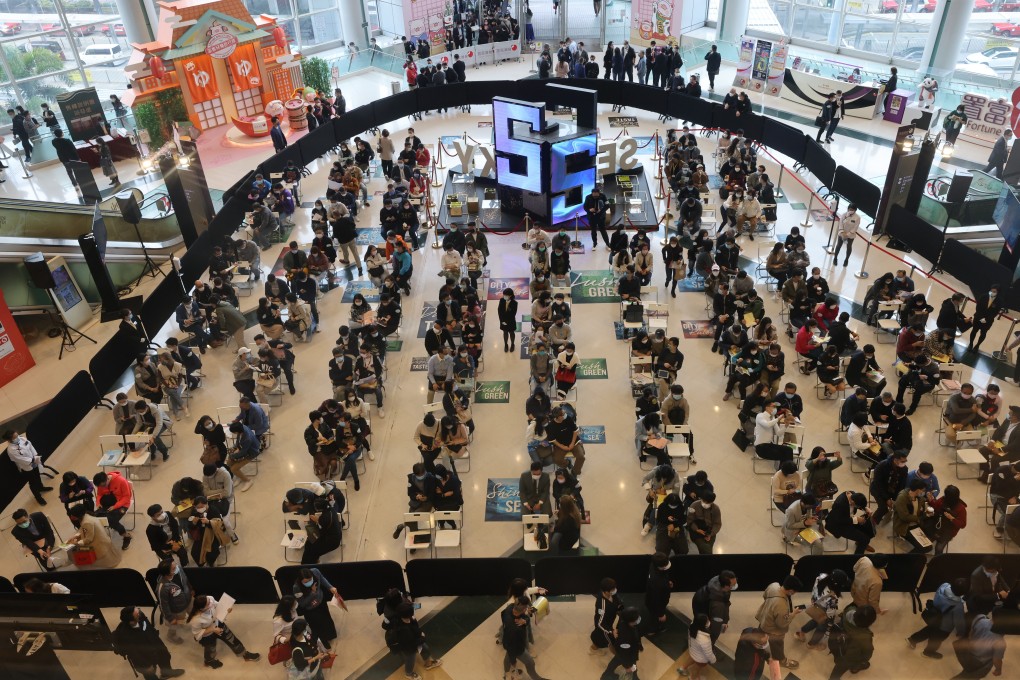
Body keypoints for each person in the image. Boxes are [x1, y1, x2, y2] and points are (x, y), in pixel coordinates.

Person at [188, 594, 260, 668]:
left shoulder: (209, 599)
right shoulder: (195, 620)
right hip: (207, 635)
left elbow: (218, 606)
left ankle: (245, 654)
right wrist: (213, 629)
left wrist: (226, 610)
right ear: (201, 609)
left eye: (209, 600)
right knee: (211, 648)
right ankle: (209, 661)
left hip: (218, 624)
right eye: (208, 604)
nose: (211, 603)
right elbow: (197, 634)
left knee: (232, 639)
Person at [113, 607, 185, 680]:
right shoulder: (125, 635)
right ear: (131, 621)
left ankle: (166, 673)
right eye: (137, 614)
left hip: (156, 646)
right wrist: (145, 665)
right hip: (144, 658)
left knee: (165, 657)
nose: (139, 612)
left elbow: (149, 627)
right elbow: (134, 654)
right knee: (150, 674)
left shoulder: (141, 616)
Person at [907, 577, 969, 659]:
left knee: (928, 630)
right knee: (936, 639)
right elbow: (959, 621)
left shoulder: (944, 586)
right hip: (944, 627)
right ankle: (928, 652)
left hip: (934, 615)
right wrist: (961, 632)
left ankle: (912, 639)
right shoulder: (958, 606)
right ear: (962, 593)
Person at [755, 576, 803, 670]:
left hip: (764, 617)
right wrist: (793, 614)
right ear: (791, 591)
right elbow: (781, 624)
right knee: (778, 646)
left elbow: (765, 595)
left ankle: (758, 647)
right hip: (773, 629)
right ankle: (782, 661)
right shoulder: (781, 605)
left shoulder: (774, 585)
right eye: (795, 592)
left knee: (760, 633)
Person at [293, 567, 345, 651]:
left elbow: (322, 579)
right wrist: (312, 593)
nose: (309, 582)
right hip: (310, 610)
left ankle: (330, 635)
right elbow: (302, 603)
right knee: (317, 627)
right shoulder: (296, 588)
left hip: (321, 603)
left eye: (310, 579)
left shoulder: (315, 571)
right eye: (306, 582)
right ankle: (323, 642)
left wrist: (330, 587)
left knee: (327, 620)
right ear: (301, 580)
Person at [387, 601, 443, 679]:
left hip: (413, 639)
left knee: (425, 648)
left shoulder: (404, 618)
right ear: (409, 614)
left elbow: (414, 629)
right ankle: (408, 673)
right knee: (410, 659)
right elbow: (411, 644)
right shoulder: (404, 630)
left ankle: (428, 664)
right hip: (408, 647)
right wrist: (422, 638)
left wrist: (414, 621)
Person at [502, 596, 550, 680]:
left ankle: (507, 674)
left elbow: (503, 614)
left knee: (507, 658)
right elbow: (511, 649)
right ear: (524, 610)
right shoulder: (517, 628)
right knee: (530, 663)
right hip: (517, 648)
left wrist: (525, 621)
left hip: (507, 640)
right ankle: (537, 679)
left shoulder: (509, 609)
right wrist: (514, 662)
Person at [3, 429, 52, 505]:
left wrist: (36, 456)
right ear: (11, 439)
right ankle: (38, 497)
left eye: (17, 435)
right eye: (15, 437)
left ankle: (41, 487)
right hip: (26, 467)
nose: (18, 437)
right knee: (33, 482)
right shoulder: (11, 450)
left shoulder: (22, 438)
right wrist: (32, 460)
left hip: (34, 460)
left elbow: (30, 446)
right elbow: (20, 459)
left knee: (37, 475)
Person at [829, 604, 876, 679]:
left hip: (838, 645)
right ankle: (855, 667)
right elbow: (867, 653)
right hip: (849, 657)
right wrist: (863, 660)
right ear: (869, 623)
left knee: (838, 668)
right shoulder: (864, 637)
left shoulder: (849, 610)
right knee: (850, 662)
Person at [893, 479, 933, 553]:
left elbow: (921, 511)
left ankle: (913, 557)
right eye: (923, 490)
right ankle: (909, 559)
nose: (924, 492)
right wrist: (920, 518)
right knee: (925, 548)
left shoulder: (920, 498)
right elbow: (904, 517)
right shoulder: (902, 498)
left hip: (917, 524)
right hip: (905, 527)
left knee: (929, 545)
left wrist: (926, 512)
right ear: (917, 490)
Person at [677, 613, 717, 679]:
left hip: (693, 651)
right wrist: (713, 660)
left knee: (692, 658)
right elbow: (708, 653)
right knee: (696, 669)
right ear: (703, 624)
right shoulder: (704, 639)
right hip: (701, 659)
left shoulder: (692, 627)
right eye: (707, 621)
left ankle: (682, 668)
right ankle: (692, 678)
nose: (708, 621)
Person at [590, 577, 624, 653]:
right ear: (605, 592)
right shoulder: (602, 605)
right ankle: (593, 649)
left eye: (614, 588)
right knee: (600, 640)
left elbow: (617, 600)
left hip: (610, 621)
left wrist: (620, 606)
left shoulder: (612, 593)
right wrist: (611, 631)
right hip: (604, 627)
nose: (614, 590)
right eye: (612, 590)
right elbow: (599, 623)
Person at [644, 551, 673, 636]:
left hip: (650, 596)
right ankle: (652, 630)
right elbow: (657, 599)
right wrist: (661, 614)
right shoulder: (658, 583)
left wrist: (667, 583)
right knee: (654, 617)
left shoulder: (653, 565)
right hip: (655, 604)